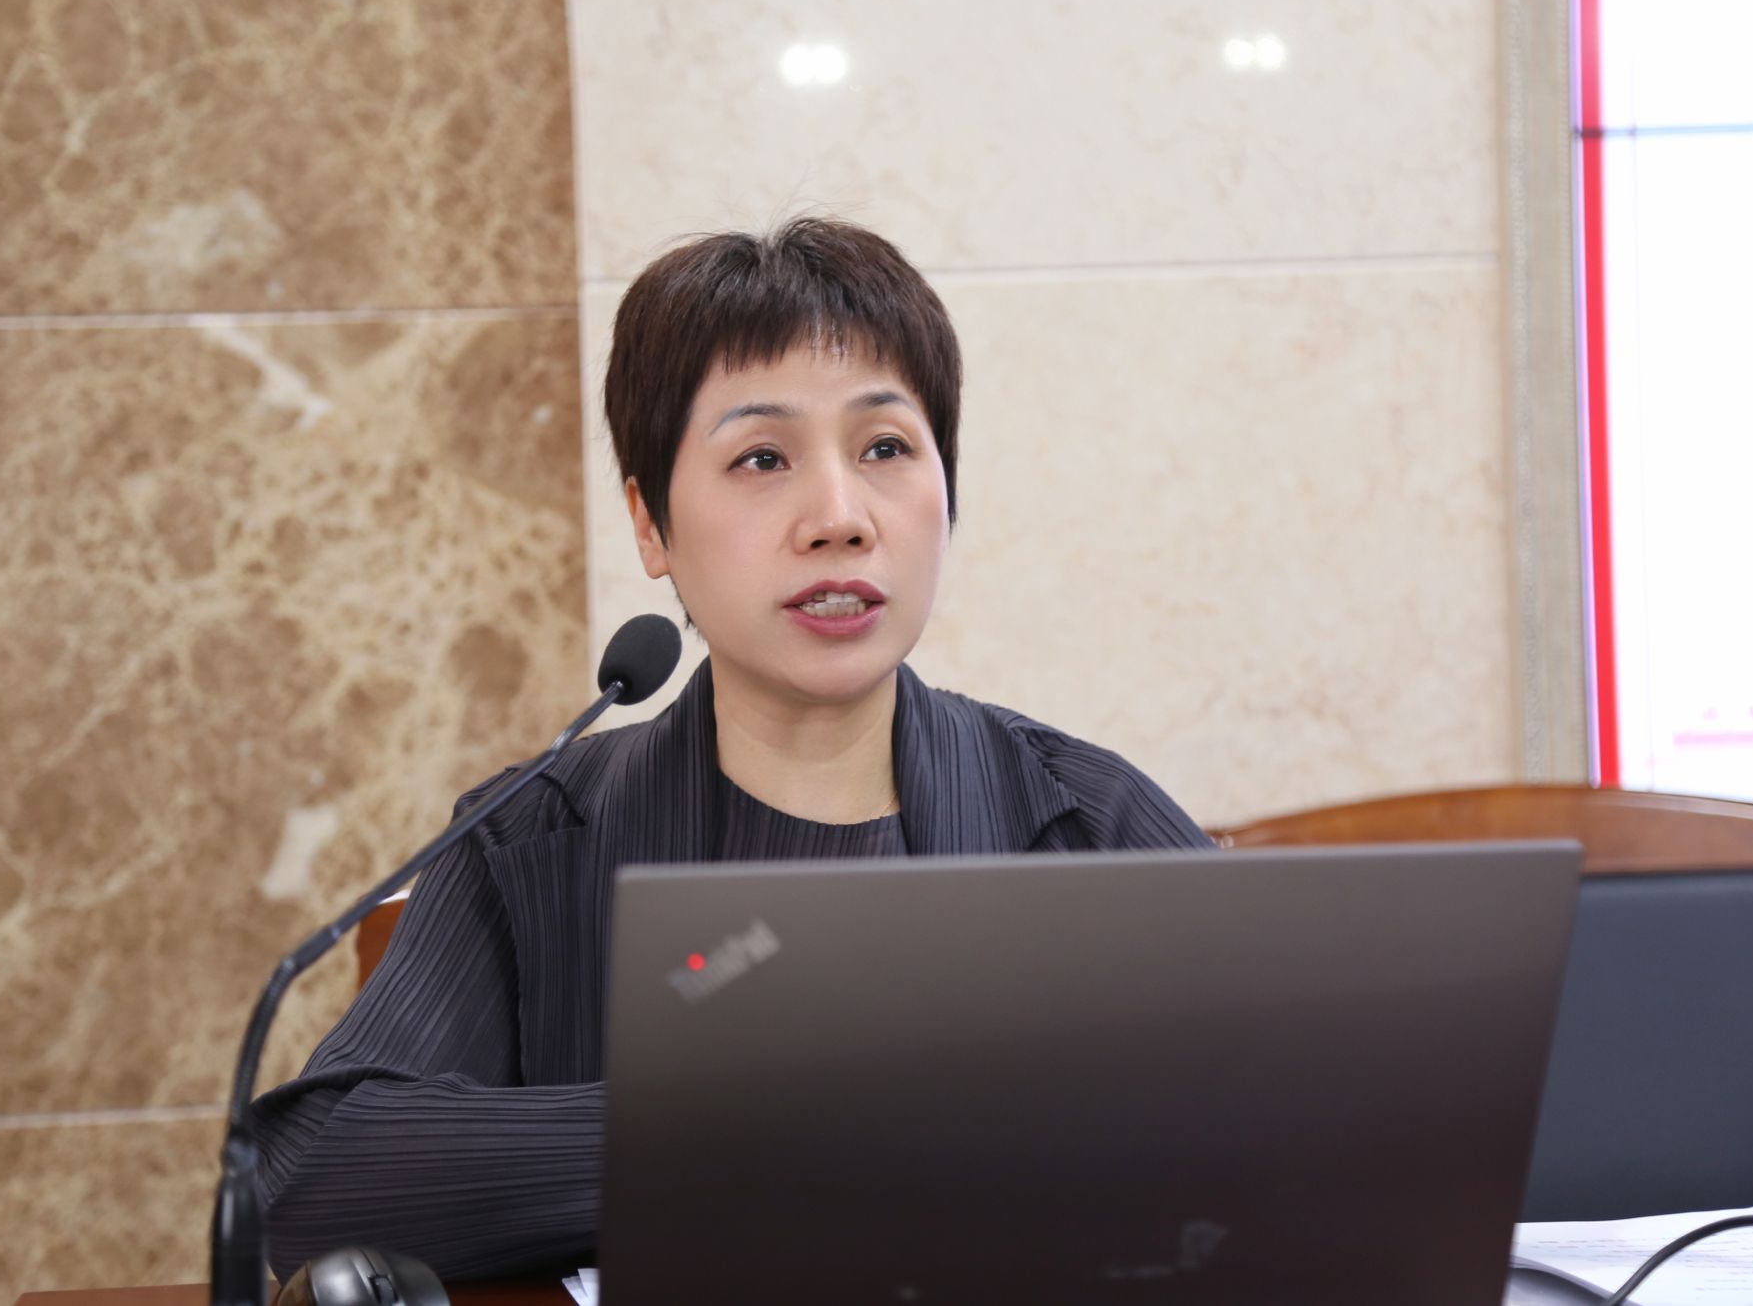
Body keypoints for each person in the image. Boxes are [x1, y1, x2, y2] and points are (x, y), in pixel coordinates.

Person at [251, 217, 1210, 1283]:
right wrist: (757, 1127)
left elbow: (1296, 1126)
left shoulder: (1085, 819)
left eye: (885, 448)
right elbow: (308, 1183)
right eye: (761, 457)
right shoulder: (534, 839)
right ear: (649, 524)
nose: (839, 518)